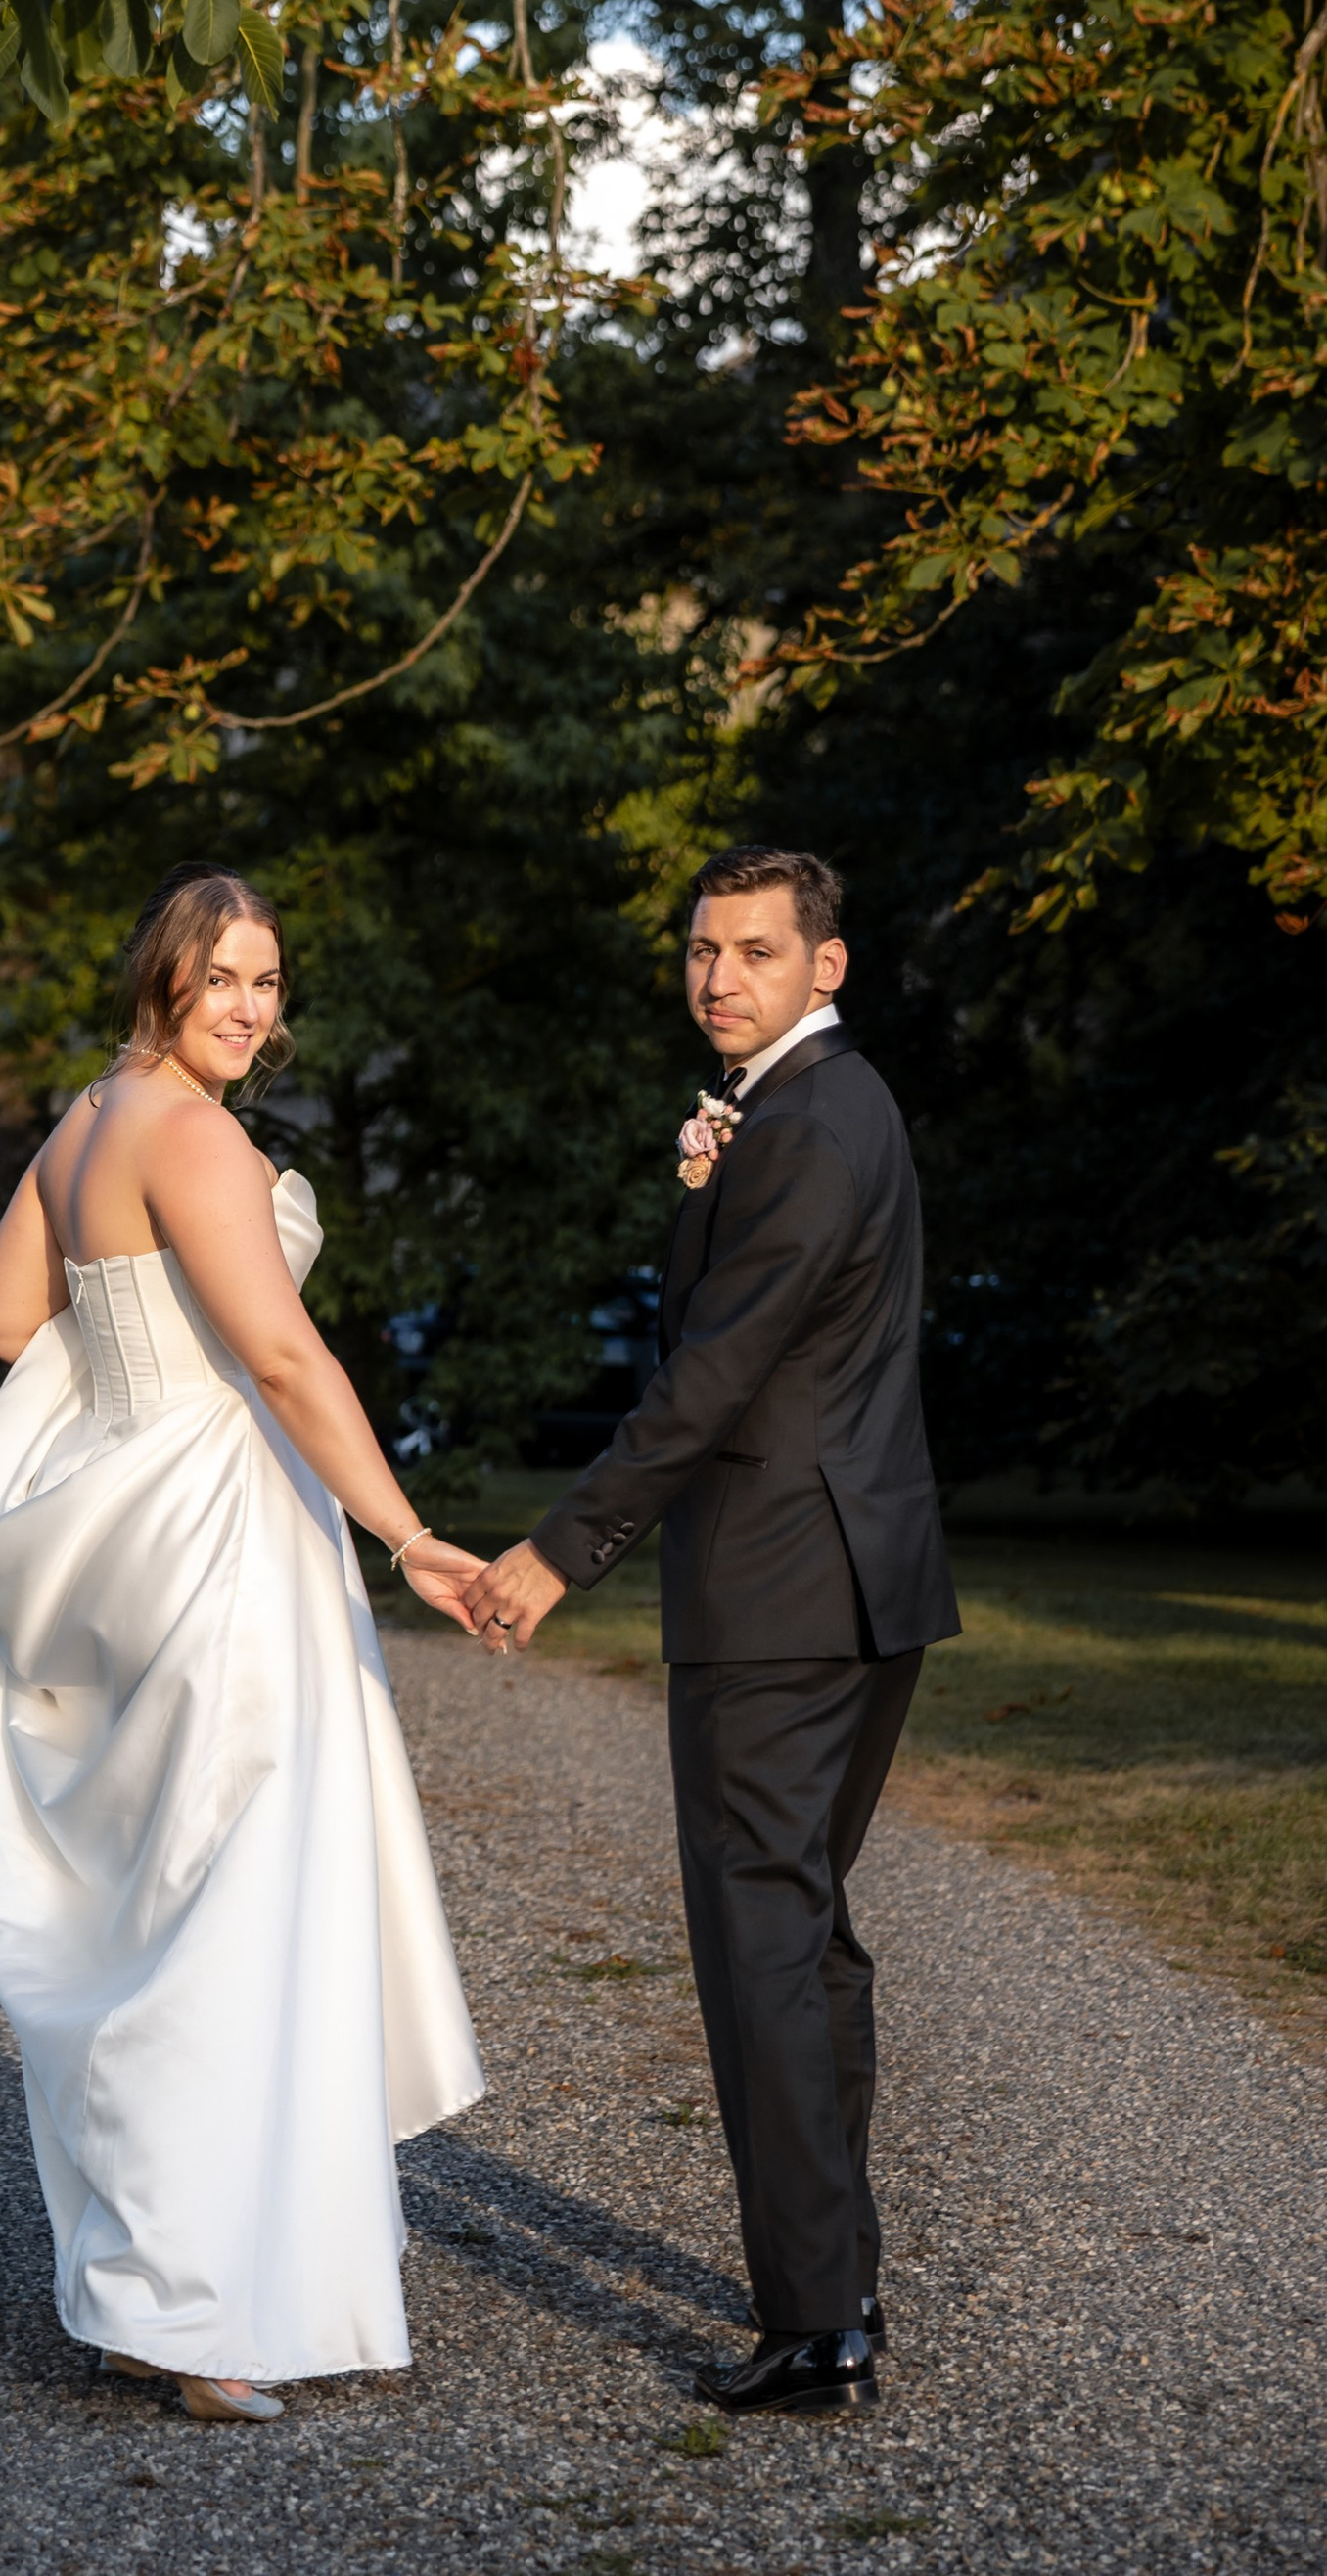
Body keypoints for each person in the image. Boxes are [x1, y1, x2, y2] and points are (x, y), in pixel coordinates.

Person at [0, 862, 486, 2424]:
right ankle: (198, 2313)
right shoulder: (194, 1136)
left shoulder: (84, 1124)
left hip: (131, 1529)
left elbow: (4, 1323)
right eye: (221, 978)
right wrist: (407, 1536)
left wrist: (135, 1372)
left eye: (268, 981)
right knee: (233, 1918)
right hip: (227, 1538)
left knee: (159, 1911)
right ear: (164, 981)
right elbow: (288, 1362)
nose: (248, 1008)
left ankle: (143, 2301)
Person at [466, 845, 959, 2420]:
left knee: (764, 1947)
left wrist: (560, 1549)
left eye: (754, 950)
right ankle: (843, 2284)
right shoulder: (836, 1104)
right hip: (862, 1581)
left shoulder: (805, 1127)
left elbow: (714, 1376)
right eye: (701, 949)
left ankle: (815, 2327)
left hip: (779, 1593)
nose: (718, 975)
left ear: (828, 964)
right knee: (804, 1933)